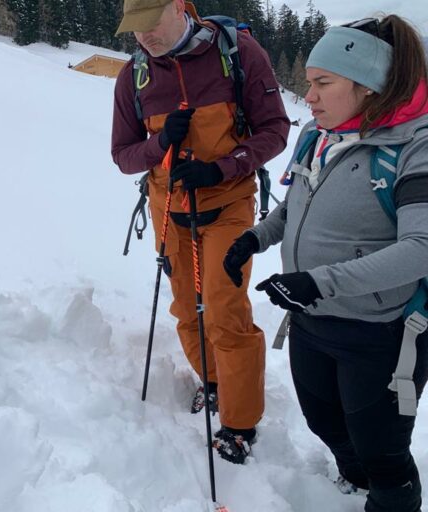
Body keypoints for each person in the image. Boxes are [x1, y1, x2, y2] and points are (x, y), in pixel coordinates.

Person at [224, 15, 428, 511]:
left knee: (382, 447)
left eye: (323, 83)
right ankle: (354, 477)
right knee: (323, 420)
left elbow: (421, 246)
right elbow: (296, 205)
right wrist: (255, 237)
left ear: (370, 86)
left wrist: (319, 281)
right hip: (312, 322)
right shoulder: (317, 134)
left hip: (380, 333)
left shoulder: (414, 146)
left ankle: (388, 496)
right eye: (309, 82)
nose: (307, 95)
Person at [111, 0, 289, 463]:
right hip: (168, 206)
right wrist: (160, 143)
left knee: (224, 306)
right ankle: (211, 382)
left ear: (178, 8)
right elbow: (124, 155)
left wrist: (223, 169)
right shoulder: (134, 76)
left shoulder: (239, 53)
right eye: (135, 30)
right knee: (187, 307)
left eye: (151, 25)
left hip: (228, 201)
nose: (144, 37)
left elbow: (274, 129)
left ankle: (239, 422)